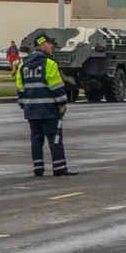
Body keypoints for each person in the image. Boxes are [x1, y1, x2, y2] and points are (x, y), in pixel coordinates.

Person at [15, 33, 78, 177]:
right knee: (54, 138)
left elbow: (20, 88)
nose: (52, 46)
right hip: (49, 110)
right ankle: (59, 167)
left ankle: (38, 168)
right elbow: (56, 86)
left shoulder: (23, 65)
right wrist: (62, 103)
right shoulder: (49, 64)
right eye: (50, 44)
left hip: (32, 110)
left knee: (36, 139)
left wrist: (25, 106)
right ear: (42, 45)